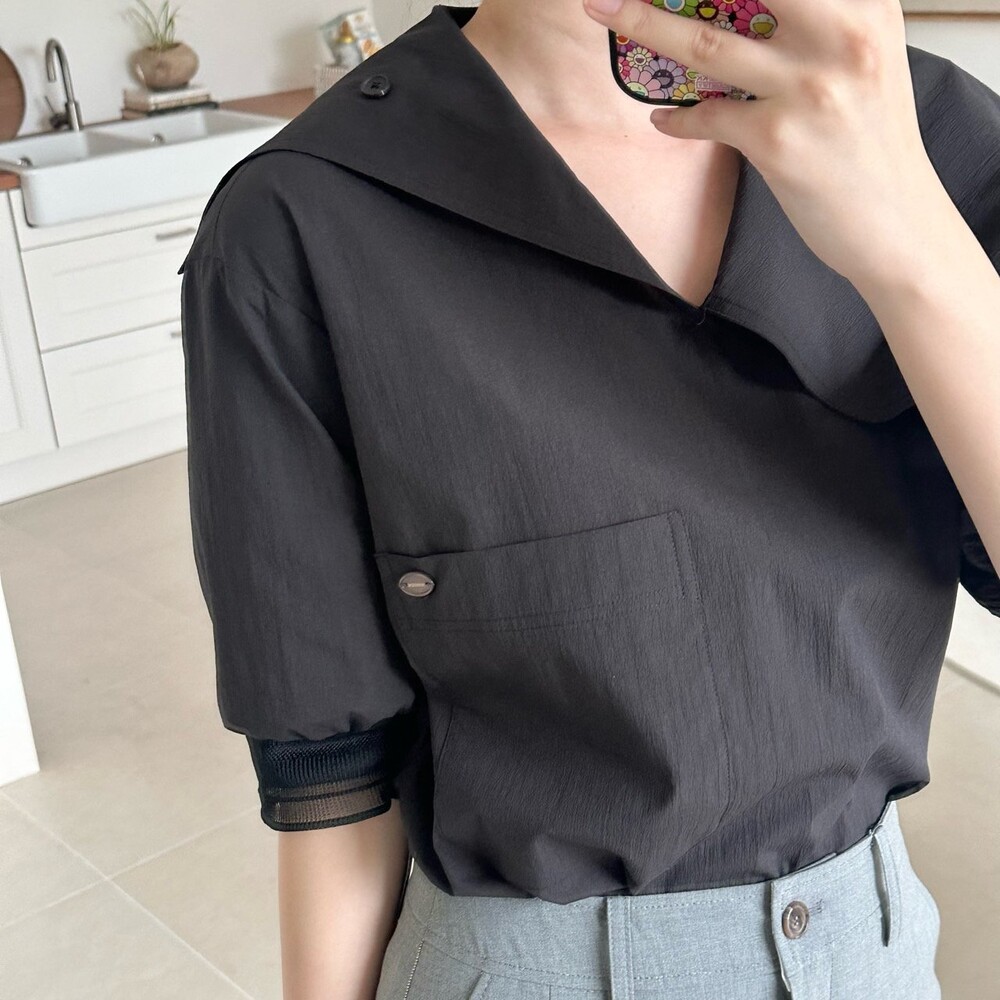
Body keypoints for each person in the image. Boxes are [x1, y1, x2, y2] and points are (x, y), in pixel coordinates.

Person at [178, 1, 1000, 997]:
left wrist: (916, 250)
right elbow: (330, 769)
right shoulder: (303, 217)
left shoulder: (928, 131)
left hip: (875, 954)